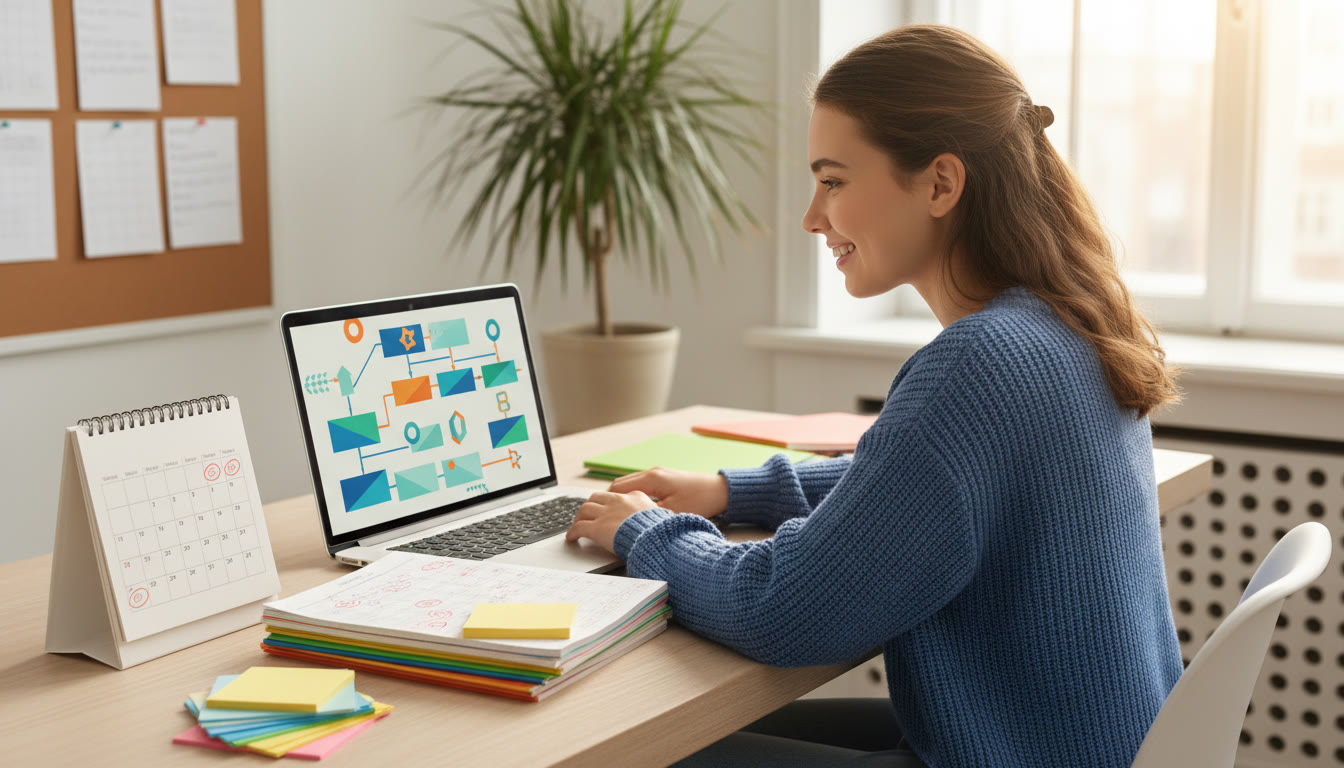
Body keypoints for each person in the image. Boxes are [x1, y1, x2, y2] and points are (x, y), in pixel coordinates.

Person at [565, 23, 1183, 768]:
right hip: (1081, 745)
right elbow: (915, 487)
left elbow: (785, 612)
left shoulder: (979, 364)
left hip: (1014, 752)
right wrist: (730, 492)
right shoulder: (1066, 325)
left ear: (941, 183)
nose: (812, 216)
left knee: (628, 752)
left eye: (833, 181)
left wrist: (642, 533)